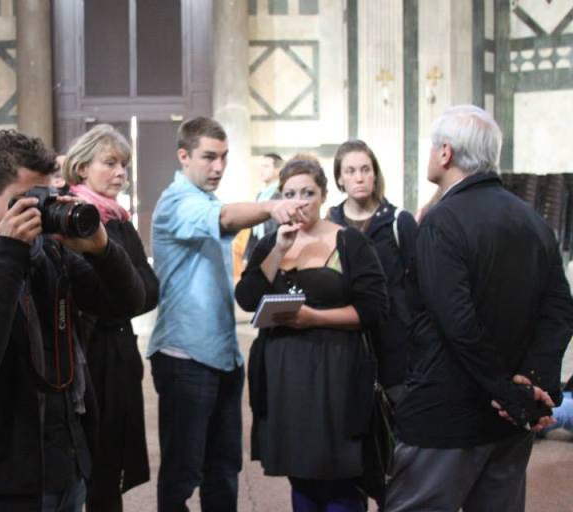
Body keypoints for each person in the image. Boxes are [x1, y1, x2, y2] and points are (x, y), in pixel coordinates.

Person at [0, 129, 146, 512]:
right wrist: (9, 254)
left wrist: (103, 250)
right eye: (27, 201)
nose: (40, 214)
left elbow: (127, 302)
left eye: (45, 199)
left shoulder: (48, 254)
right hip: (2, 478)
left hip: (67, 462)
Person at [385, 105, 573, 512]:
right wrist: (531, 383)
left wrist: (508, 391)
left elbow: (458, 323)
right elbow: (559, 309)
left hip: (446, 417)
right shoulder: (532, 220)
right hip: (508, 419)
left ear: (445, 153)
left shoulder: (441, 221)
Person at [148, 116, 308, 512]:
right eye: (208, 157)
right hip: (184, 357)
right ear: (184, 156)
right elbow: (225, 220)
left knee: (223, 472)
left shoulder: (204, 199)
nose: (218, 166)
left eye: (223, 157)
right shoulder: (176, 200)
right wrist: (272, 206)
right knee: (182, 476)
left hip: (221, 357)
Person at [235, 158, 388, 511]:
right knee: (299, 472)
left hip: (334, 371)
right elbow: (246, 298)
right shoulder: (271, 243)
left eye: (308, 193)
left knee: (338, 474)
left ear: (323, 196)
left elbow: (373, 310)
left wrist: (315, 318)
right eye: (290, 194)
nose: (299, 201)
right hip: (283, 376)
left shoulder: (349, 242)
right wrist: (279, 250)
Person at [62, 124, 159, 511]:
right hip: (86, 351)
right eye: (111, 163)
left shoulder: (117, 219)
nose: (121, 172)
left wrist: (123, 296)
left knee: (112, 463)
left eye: (124, 165)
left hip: (118, 350)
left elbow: (148, 291)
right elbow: (99, 296)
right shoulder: (72, 216)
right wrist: (124, 294)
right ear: (82, 168)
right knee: (90, 461)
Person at [327, 140, 417, 404]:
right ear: (340, 180)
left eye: (365, 169)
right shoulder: (330, 223)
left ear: (375, 174)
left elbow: (417, 284)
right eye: (351, 171)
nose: (359, 178)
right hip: (347, 342)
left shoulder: (399, 221)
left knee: (400, 429)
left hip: (395, 347)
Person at [243, 153, 284, 264]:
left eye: (266, 166)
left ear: (277, 170)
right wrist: (246, 255)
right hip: (257, 248)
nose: (261, 170)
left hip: (272, 250)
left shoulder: (281, 195)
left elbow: (276, 229)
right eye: (261, 166)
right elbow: (254, 227)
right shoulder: (261, 195)